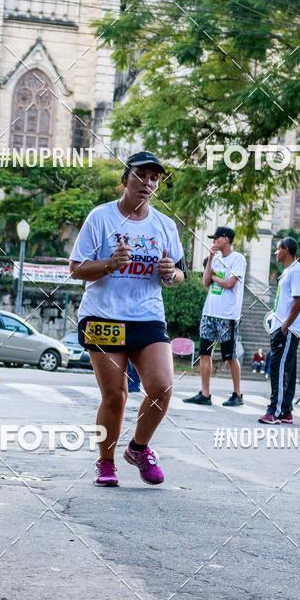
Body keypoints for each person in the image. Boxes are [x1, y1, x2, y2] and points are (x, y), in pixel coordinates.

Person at [69, 151, 185, 487]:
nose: (148, 183)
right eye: (141, 175)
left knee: (161, 387)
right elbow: (77, 268)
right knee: (115, 395)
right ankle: (105, 463)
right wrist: (109, 264)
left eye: (154, 178)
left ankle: (138, 448)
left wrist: (170, 273)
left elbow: (180, 275)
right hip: (104, 315)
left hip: (147, 315)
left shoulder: (164, 225)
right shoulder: (101, 218)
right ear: (125, 179)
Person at [183, 226, 247, 407]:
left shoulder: (238, 259)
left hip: (227, 315)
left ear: (226, 239)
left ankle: (237, 393)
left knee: (230, 355)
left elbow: (229, 283)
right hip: (209, 312)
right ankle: (205, 393)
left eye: (216, 238)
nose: (213, 242)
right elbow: (205, 282)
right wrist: (210, 259)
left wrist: (214, 278)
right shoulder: (215, 259)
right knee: (204, 353)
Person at [259, 237, 300, 425]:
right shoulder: (289, 271)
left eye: (278, 249)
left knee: (278, 370)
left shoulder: (296, 272)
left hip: (287, 330)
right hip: (281, 327)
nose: (275, 253)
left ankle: (274, 411)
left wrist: (286, 326)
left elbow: (299, 301)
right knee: (286, 370)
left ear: (286, 250)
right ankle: (286, 411)